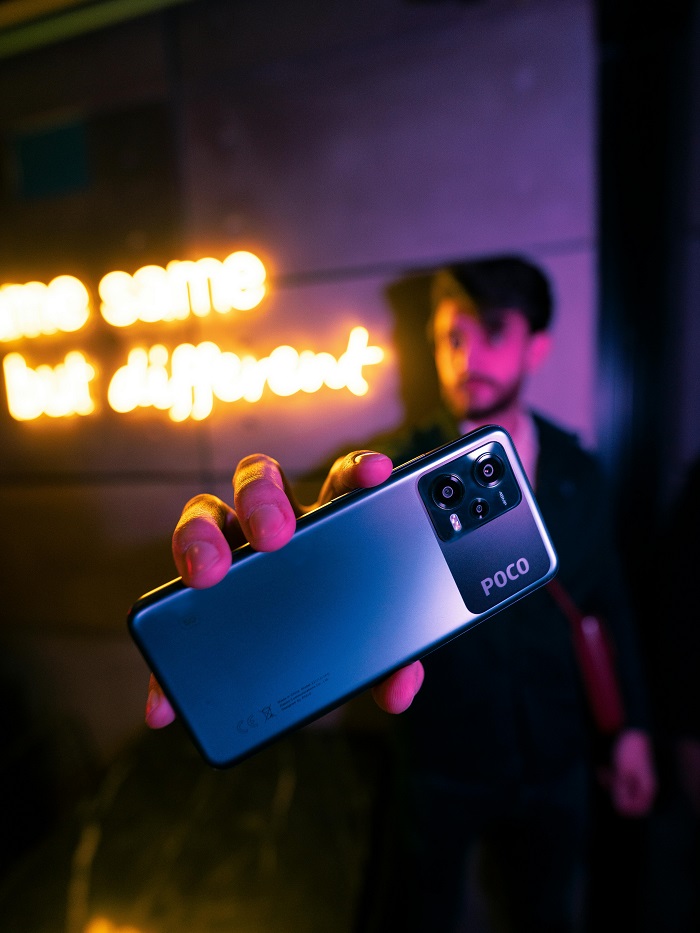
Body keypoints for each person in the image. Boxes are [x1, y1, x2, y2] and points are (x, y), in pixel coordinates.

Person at [144, 254, 657, 933]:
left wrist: (630, 729)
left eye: (491, 330)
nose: (465, 356)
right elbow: (327, 591)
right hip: (441, 764)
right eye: (449, 337)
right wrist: (265, 595)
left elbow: (608, 601)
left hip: (558, 758)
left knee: (548, 915)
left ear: (537, 345)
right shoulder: (386, 476)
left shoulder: (579, 469)